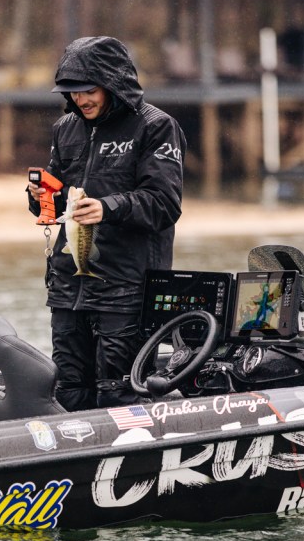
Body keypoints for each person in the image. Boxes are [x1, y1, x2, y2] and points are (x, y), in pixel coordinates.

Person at [27, 36, 186, 411]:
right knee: (69, 390)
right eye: (72, 91)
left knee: (118, 392)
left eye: (89, 90)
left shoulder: (156, 126)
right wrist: (39, 198)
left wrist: (107, 208)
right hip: (68, 289)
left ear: (113, 84)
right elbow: (53, 205)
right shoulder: (64, 129)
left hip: (127, 291)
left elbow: (164, 204)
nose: (80, 99)